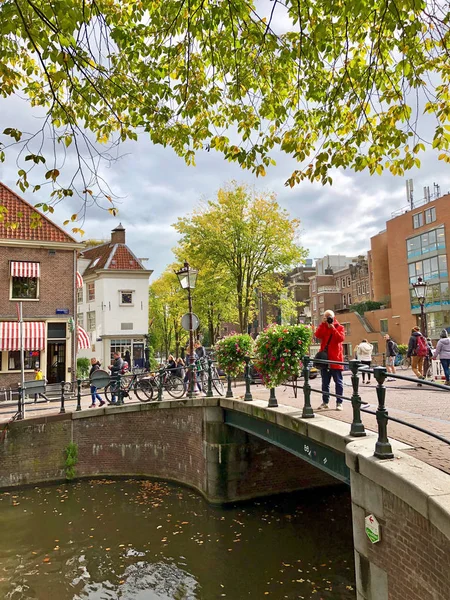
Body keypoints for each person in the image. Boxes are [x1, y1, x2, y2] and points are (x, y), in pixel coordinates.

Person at [315, 309, 345, 411]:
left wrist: (332, 328)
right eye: (326, 317)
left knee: (338, 382)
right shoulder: (324, 327)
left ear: (333, 317)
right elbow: (317, 335)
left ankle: (339, 403)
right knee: (325, 382)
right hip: (325, 359)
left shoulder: (340, 327)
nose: (328, 319)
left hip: (336, 359)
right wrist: (322, 324)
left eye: (329, 317)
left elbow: (340, 339)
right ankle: (325, 402)